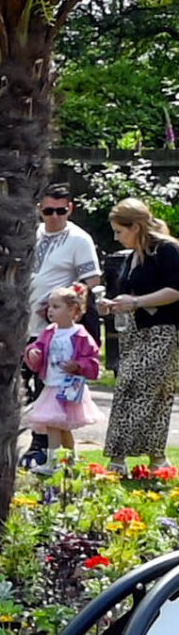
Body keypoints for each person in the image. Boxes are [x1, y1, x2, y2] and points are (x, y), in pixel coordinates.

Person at [101, 197, 179, 462]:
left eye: (119, 231)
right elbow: (130, 293)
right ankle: (123, 458)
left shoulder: (166, 250)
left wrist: (136, 302)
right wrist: (113, 304)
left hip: (161, 332)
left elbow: (175, 290)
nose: (117, 237)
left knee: (148, 390)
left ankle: (153, 457)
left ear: (134, 226)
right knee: (127, 388)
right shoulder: (132, 255)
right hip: (133, 333)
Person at [23, 286, 102, 470]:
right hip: (52, 386)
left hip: (69, 387)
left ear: (72, 310)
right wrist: (33, 352)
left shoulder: (80, 334)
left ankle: (53, 462)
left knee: (57, 425)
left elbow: (92, 358)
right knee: (57, 424)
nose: (50, 311)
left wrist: (78, 365)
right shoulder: (50, 331)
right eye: (49, 306)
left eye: (56, 307)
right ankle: (69, 461)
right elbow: (38, 347)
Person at [30, 184, 103, 338]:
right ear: (39, 209)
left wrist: (61, 301)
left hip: (58, 328)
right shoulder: (31, 234)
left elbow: (92, 280)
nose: (55, 216)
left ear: (69, 209)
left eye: (60, 211)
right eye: (49, 211)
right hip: (25, 324)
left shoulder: (79, 239)